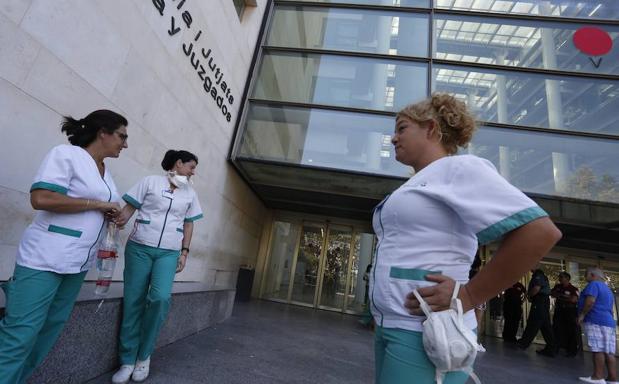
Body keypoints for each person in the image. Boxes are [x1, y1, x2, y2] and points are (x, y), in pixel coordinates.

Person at [370, 93, 562, 384]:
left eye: (402, 128)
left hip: (428, 332)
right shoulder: (421, 180)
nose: (394, 138)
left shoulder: (459, 168)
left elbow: (540, 232)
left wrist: (469, 295)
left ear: (431, 129)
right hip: (393, 326)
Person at [0, 110, 127, 383]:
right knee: (20, 333)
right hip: (43, 258)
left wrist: (112, 215)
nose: (125, 144)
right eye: (121, 136)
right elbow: (41, 198)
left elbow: (99, 206)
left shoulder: (107, 173)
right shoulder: (66, 155)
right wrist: (97, 204)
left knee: (48, 332)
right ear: (102, 132)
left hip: (77, 263)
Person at [112, 150, 203, 384]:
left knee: (160, 298)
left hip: (169, 252)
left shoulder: (190, 194)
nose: (193, 172)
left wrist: (185, 252)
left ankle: (144, 356)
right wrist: (116, 220)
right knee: (133, 301)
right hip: (140, 247)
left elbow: (189, 224)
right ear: (178, 163)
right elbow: (129, 209)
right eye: (191, 167)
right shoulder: (150, 182)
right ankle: (127, 360)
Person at [578, 267, 617, 384]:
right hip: (608, 322)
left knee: (597, 349)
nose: (585, 278)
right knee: (609, 351)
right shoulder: (607, 289)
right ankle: (612, 378)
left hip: (595, 320)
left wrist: (582, 315)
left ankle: (597, 377)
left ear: (592, 275)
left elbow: (590, 301)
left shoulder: (594, 285)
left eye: (586, 275)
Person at [517, 267, 556, 356]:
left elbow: (536, 288)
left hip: (540, 302)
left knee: (533, 322)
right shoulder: (540, 275)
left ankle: (524, 343)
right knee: (545, 326)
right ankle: (552, 348)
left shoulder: (538, 275)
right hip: (543, 302)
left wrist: (529, 295)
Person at [551, 271, 579, 357]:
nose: (559, 279)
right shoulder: (557, 286)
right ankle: (555, 348)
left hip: (569, 311)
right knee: (556, 328)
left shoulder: (573, 289)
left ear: (567, 278)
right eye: (559, 277)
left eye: (561, 277)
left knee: (571, 330)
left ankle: (571, 351)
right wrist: (564, 296)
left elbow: (574, 299)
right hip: (559, 310)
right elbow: (552, 294)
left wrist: (561, 296)